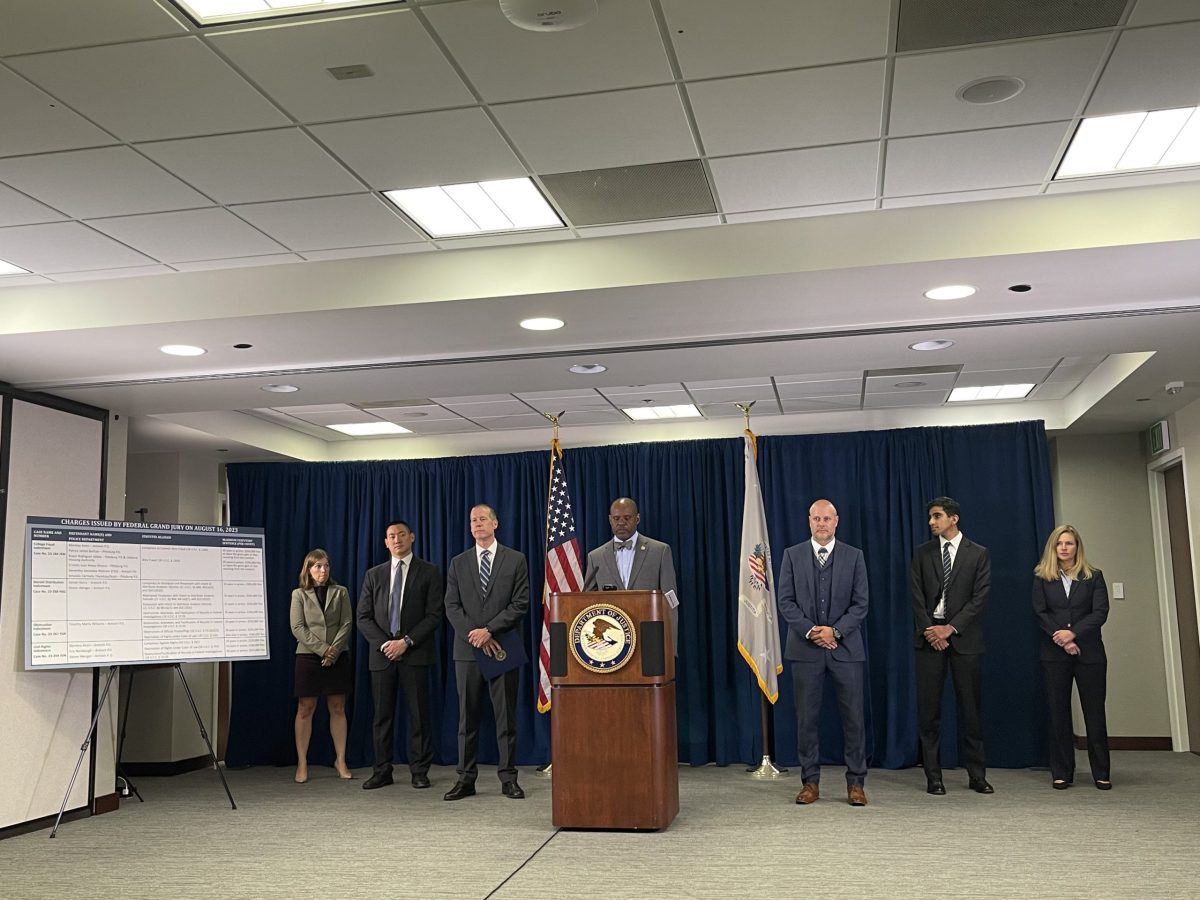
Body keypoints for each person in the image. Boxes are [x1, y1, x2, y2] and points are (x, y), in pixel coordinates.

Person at [777, 499, 870, 806]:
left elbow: (861, 603)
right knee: (807, 720)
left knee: (854, 719)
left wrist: (835, 631)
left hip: (846, 650)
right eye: (816, 518)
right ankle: (810, 782)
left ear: (836, 521)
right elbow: (785, 601)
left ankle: (856, 784)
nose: (821, 523)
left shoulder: (854, 556)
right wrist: (812, 631)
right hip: (805, 650)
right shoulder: (791, 556)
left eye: (826, 518)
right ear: (809, 521)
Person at [443, 504, 530, 801]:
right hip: (468, 652)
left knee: (506, 718)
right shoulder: (458, 563)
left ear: (495, 523)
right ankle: (465, 779)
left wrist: (490, 630)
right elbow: (451, 606)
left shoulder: (516, 559)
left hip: (503, 647)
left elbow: (520, 604)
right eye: (473, 520)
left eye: (482, 519)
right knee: (467, 719)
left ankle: (509, 779)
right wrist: (477, 635)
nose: (477, 524)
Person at [910, 496, 993, 795]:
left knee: (970, 711)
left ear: (953, 518)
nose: (931, 522)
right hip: (929, 640)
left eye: (937, 516)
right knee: (929, 712)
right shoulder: (922, 553)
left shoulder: (978, 554)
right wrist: (931, 631)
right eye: (930, 517)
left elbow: (979, 597)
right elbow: (916, 595)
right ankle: (933, 777)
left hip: (964, 640)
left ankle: (977, 775)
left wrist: (951, 628)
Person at [357, 520, 444, 790]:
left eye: (402, 535)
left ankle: (419, 771)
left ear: (412, 537)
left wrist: (406, 642)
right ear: (386, 542)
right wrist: (387, 644)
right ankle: (382, 771)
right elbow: (363, 617)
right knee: (382, 717)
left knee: (419, 716)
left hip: (415, 654)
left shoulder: (429, 572)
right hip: (382, 656)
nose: (397, 540)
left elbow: (434, 615)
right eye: (392, 536)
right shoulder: (374, 574)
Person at [1032, 525, 1111, 790]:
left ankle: (1101, 772)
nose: (1064, 548)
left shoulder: (1093, 576)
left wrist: (1073, 634)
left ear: (1077, 547)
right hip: (1054, 655)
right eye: (1060, 543)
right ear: (1053, 548)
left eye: (1069, 543)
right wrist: (1063, 639)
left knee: (1094, 713)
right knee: (1058, 713)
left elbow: (1100, 612)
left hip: (1090, 653)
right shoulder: (1042, 577)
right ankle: (1062, 771)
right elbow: (1040, 612)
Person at [290, 548, 353, 783]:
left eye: (326, 566)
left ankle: (341, 760)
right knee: (305, 708)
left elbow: (347, 623)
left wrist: (333, 651)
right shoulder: (299, 594)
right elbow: (297, 627)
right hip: (308, 656)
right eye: (318, 566)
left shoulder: (341, 592)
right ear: (309, 569)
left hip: (338, 655)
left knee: (338, 707)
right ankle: (302, 762)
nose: (323, 570)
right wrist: (323, 650)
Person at [583, 497, 679, 652]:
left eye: (627, 518)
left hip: (649, 640)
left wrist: (670, 647)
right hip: (610, 645)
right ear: (610, 520)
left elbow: (670, 602)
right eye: (616, 519)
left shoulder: (660, 551)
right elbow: (587, 602)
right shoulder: (596, 557)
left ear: (637, 519)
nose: (621, 523)